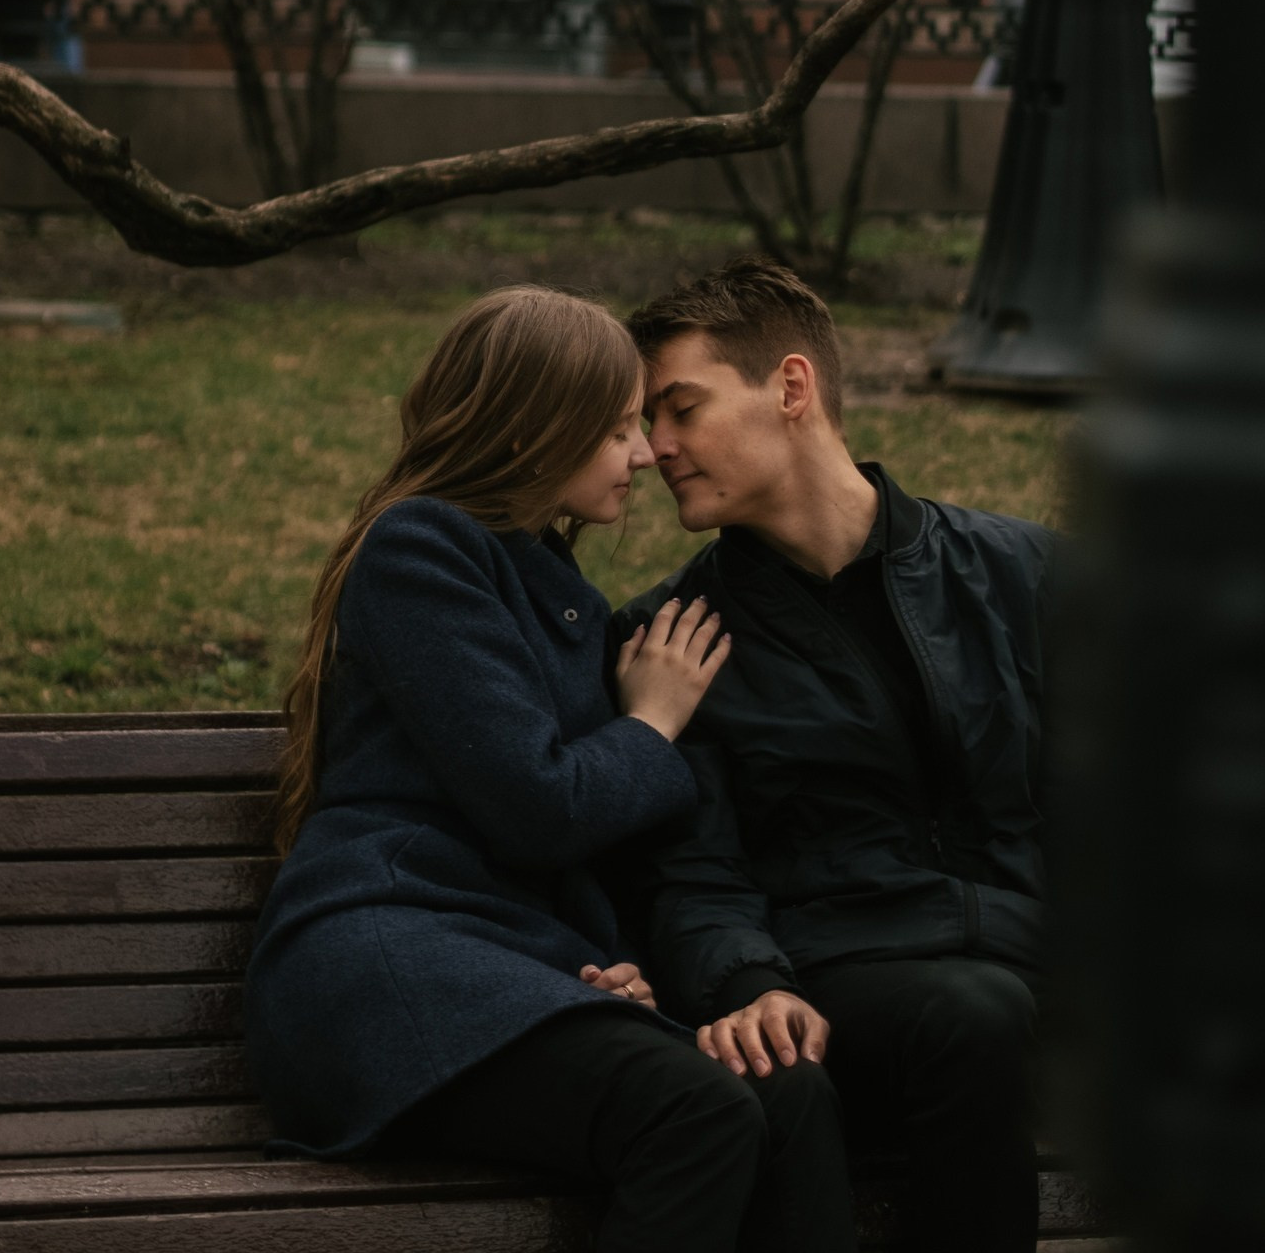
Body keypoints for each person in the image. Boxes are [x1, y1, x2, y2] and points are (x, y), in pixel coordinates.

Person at [244, 285, 858, 1253]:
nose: (646, 454)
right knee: (694, 1112)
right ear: (535, 434)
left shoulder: (554, 587)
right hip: (384, 969)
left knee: (786, 1093)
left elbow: (572, 839)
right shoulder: (420, 550)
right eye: (617, 430)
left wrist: (607, 969)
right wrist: (651, 723)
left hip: (504, 970)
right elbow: (538, 806)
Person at [620, 258, 1054, 1253]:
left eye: (681, 408)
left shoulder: (1019, 575)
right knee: (974, 1013)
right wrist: (746, 985)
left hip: (1040, 967)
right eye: (649, 422)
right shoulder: (674, 642)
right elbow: (690, 871)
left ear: (791, 387)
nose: (656, 448)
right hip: (837, 984)